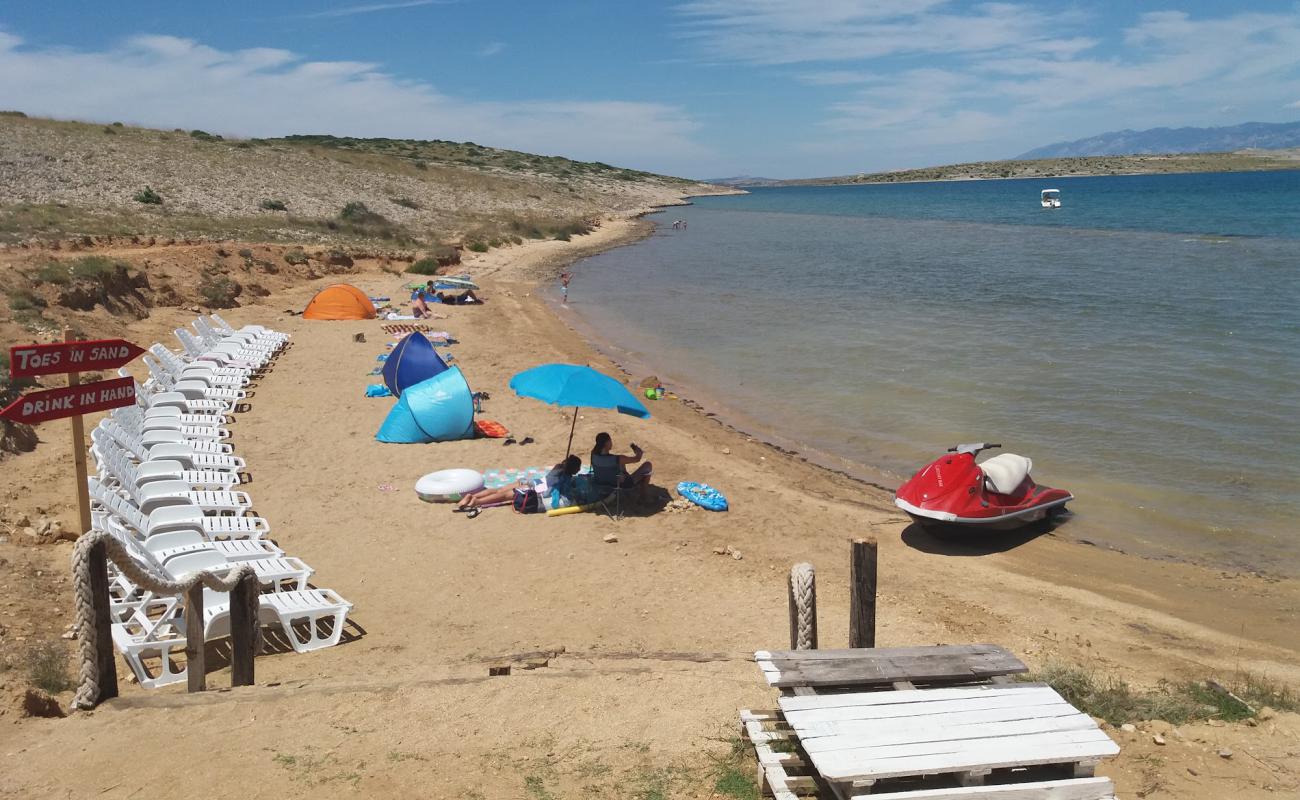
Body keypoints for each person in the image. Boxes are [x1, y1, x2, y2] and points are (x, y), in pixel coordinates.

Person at [455, 455, 581, 516]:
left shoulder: (558, 468)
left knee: (499, 490)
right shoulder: (564, 479)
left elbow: (548, 479)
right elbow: (552, 492)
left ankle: (471, 496)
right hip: (533, 488)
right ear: (574, 469)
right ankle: (475, 501)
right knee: (503, 496)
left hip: (530, 481)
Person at [590, 432, 653, 502]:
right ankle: (643, 495)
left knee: (621, 464)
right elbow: (637, 459)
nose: (611, 443)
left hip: (600, 483)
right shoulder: (617, 459)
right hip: (619, 485)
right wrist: (639, 453)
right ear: (606, 443)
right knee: (648, 465)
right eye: (610, 441)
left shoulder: (593, 454)